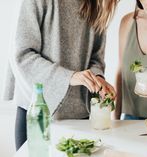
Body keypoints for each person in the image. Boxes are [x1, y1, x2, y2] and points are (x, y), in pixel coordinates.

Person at [3, 0, 117, 150]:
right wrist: (69, 76)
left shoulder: (98, 3)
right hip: (37, 113)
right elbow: (22, 55)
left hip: (80, 117)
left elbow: (96, 57)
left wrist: (97, 79)